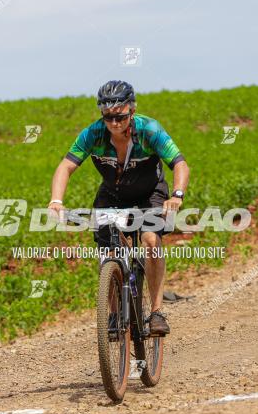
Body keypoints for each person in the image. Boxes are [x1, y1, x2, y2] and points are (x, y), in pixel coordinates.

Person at [48, 80, 190, 335]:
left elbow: (179, 163)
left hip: (150, 194)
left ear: (132, 111)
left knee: (150, 242)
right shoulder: (92, 134)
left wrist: (177, 196)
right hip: (112, 195)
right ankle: (113, 314)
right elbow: (65, 167)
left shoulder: (150, 130)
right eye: (108, 117)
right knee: (108, 253)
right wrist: (56, 201)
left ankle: (156, 312)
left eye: (120, 117)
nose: (114, 123)